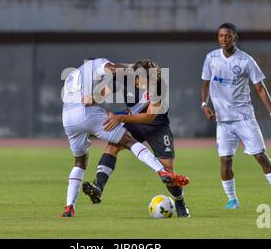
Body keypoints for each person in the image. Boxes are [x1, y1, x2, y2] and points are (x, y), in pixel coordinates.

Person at [61, 58, 188, 217]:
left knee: (168, 169)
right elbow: (104, 92)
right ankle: (98, 187)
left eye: (148, 79)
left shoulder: (160, 86)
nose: (142, 83)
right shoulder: (123, 79)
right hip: (132, 120)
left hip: (157, 127)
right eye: (140, 78)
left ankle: (179, 201)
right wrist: (93, 100)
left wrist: (120, 118)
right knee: (112, 146)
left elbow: (149, 117)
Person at [200, 22, 271, 210]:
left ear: (235, 38)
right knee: (225, 160)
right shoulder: (211, 58)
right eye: (220, 36)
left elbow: (260, 88)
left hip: (244, 119)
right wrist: (204, 104)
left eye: (228, 36)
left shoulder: (246, 60)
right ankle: (232, 200)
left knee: (260, 156)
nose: (224, 39)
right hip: (223, 122)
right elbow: (205, 84)